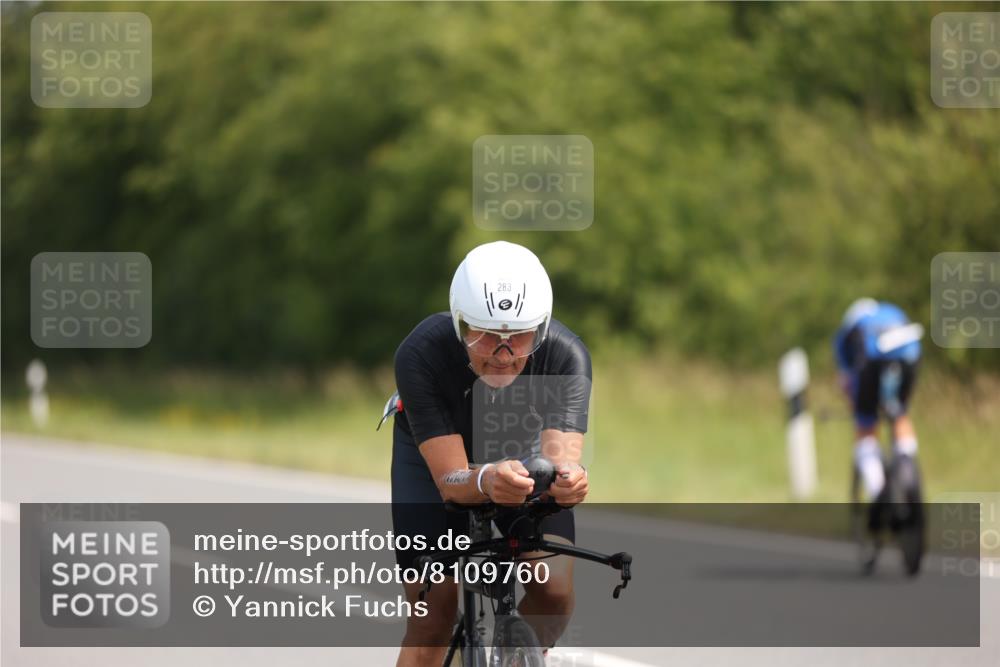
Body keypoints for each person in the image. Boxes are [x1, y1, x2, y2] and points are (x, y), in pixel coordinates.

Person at [388, 241, 592, 667]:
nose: (503, 354)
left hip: (521, 459)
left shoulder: (565, 355)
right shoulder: (420, 353)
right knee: (433, 618)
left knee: (554, 593)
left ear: (542, 328)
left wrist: (567, 483)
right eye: (484, 336)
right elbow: (451, 481)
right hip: (435, 463)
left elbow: (561, 462)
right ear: (459, 324)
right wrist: (485, 479)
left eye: (519, 336)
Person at [833, 298, 922, 503]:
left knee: (865, 428)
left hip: (873, 362)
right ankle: (907, 463)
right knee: (900, 414)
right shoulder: (892, 311)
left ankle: (878, 493)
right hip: (910, 356)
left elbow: (847, 378)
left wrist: (858, 406)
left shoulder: (850, 329)